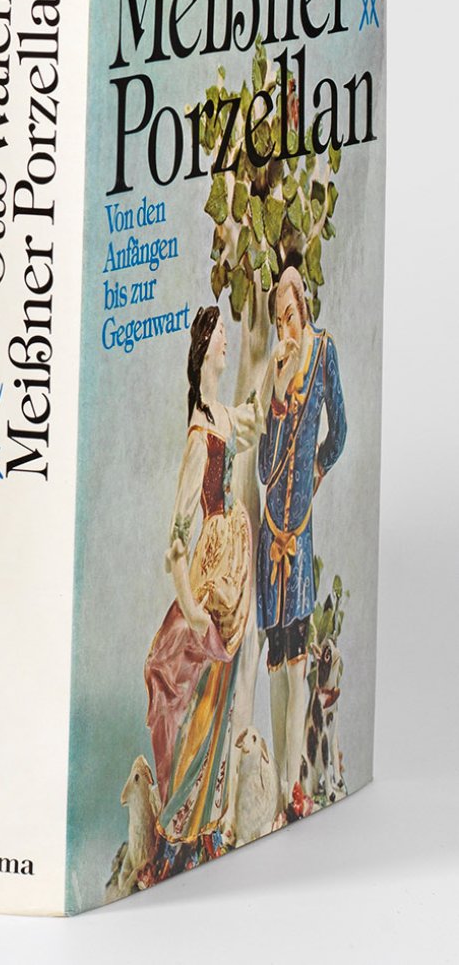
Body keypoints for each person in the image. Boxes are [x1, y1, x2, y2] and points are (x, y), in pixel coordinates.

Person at [145, 306, 260, 861]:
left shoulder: (222, 415)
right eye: (218, 337)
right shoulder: (199, 435)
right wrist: (190, 606)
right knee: (198, 687)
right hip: (212, 569)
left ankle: (209, 818)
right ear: (203, 350)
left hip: (234, 562)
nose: (225, 343)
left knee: (223, 683)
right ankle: (182, 821)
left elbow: (252, 417)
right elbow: (176, 534)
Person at [258, 265, 346, 816]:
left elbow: (341, 429)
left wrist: (318, 467)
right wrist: (275, 397)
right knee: (275, 655)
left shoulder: (324, 353)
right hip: (270, 532)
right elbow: (264, 468)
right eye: (277, 321)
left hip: (300, 527)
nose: (285, 328)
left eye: (289, 315)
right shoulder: (279, 375)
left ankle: (292, 786)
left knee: (297, 659)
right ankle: (276, 790)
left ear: (303, 308)